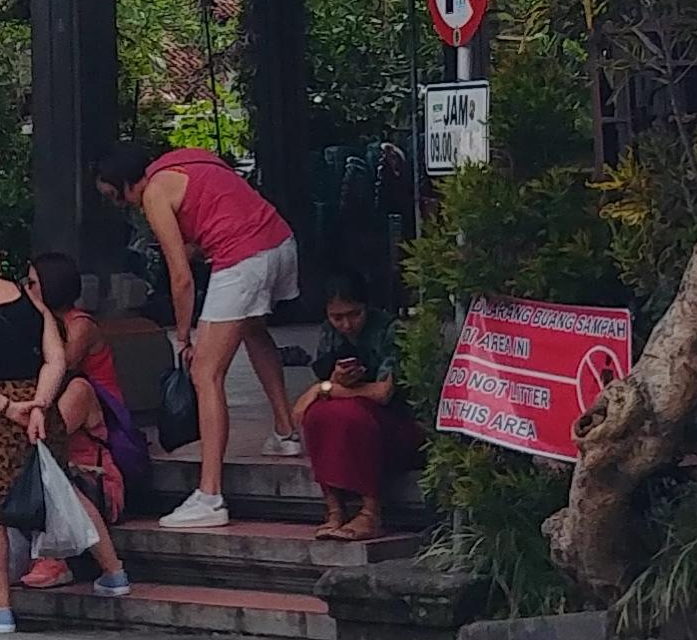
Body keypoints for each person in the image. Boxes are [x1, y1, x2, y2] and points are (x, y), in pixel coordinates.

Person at [91, 144, 303, 531]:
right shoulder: (189, 157)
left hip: (242, 258)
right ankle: (285, 430)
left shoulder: (153, 194)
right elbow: (207, 223)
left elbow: (181, 278)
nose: (120, 205)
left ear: (126, 184)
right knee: (254, 329)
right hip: (279, 242)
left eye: (113, 196)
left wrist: (184, 335)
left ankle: (210, 495)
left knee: (206, 373)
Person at [0, 232, 130, 634]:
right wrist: (39, 404)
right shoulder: (31, 301)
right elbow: (55, 358)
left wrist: (9, 408)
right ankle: (114, 572)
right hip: (39, 407)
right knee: (61, 486)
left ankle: (1, 609)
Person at [295, 266, 418, 540]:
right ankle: (334, 509)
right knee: (320, 415)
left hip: (396, 421)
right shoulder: (329, 333)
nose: (346, 325)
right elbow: (324, 387)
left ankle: (371, 511)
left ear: (366, 307)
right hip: (352, 407)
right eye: (337, 317)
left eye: (354, 315)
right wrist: (334, 382)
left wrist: (330, 389)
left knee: (349, 414)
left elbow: (384, 392)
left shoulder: (390, 330)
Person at [26, 249, 148, 517]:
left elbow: (60, 365)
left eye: (32, 283)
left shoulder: (80, 325)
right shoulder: (49, 323)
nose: (27, 289)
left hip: (96, 405)